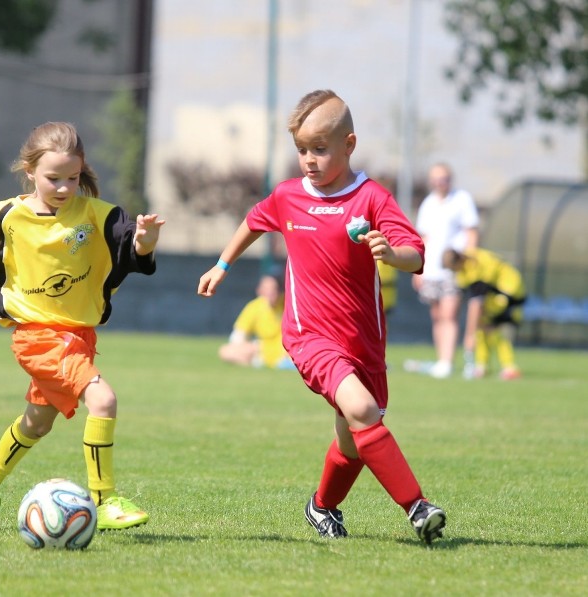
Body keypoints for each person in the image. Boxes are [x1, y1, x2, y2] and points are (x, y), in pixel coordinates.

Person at [198, 89, 446, 544]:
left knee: (353, 438)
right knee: (363, 410)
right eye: (301, 150)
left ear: (348, 145)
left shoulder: (371, 197)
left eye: (319, 148)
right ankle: (418, 508)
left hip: (363, 341)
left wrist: (392, 253)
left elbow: (416, 254)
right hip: (309, 335)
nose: (308, 160)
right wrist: (222, 264)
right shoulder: (289, 196)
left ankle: (322, 506)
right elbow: (254, 221)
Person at [0, 122, 165, 532]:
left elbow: (133, 249)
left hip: (79, 337)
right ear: (30, 170)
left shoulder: (98, 215)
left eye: (71, 178)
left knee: (38, 422)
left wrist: (145, 239)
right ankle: (104, 500)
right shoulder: (7, 216)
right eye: (53, 178)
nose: (63, 187)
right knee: (103, 400)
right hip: (36, 337)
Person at [412, 163, 479, 378]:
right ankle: (442, 359)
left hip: (453, 269)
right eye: (436, 178)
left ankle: (447, 361)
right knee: (437, 315)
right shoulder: (428, 204)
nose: (440, 182)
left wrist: (468, 260)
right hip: (431, 270)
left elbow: (471, 232)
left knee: (449, 315)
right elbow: (422, 239)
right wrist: (417, 270)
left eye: (444, 178)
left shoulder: (462, 200)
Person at [443, 247, 525, 380]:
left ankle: (509, 367)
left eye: (453, 269)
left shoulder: (477, 266)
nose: (453, 272)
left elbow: (476, 303)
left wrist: (469, 335)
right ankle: (482, 365)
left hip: (508, 291)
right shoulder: (464, 270)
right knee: (481, 326)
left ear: (457, 262)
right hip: (493, 294)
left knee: (495, 328)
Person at [218, 273, 294, 370]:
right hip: (262, 350)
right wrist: (247, 347)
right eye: (267, 289)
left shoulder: (287, 304)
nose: (270, 293)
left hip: (285, 351)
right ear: (259, 291)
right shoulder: (254, 307)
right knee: (224, 351)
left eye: (273, 289)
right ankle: (255, 363)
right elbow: (238, 335)